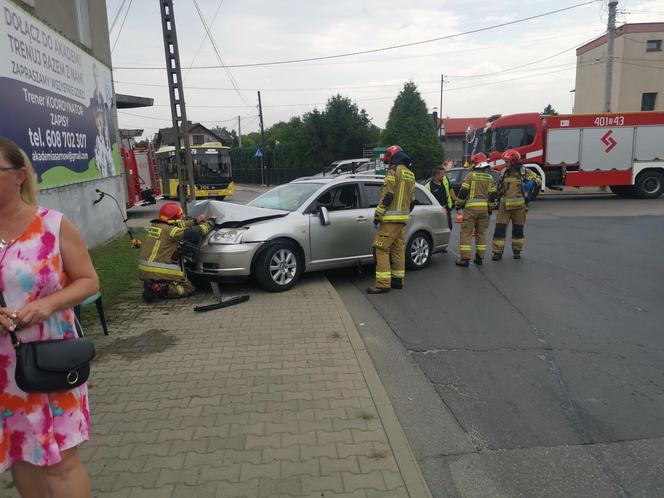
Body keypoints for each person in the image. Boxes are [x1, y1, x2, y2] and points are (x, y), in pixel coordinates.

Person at [0, 137, 98, 498]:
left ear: (19, 176)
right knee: (20, 455)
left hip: (51, 358)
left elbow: (89, 280)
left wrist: (48, 304)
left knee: (60, 461)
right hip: (4, 368)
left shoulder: (52, 225)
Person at [139, 202, 214, 301]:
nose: (181, 219)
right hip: (158, 271)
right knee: (187, 288)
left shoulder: (157, 226)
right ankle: (158, 289)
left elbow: (180, 224)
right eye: (179, 217)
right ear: (173, 218)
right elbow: (194, 233)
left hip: (145, 270)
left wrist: (195, 221)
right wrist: (210, 223)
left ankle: (154, 285)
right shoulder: (170, 231)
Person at [367, 145, 416, 294]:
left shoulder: (393, 171)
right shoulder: (410, 174)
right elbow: (412, 200)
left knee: (380, 248)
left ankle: (382, 283)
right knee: (397, 249)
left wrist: (378, 215)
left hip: (389, 219)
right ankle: (397, 280)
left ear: (393, 157)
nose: (387, 161)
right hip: (402, 219)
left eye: (388, 158)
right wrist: (403, 213)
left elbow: (388, 195)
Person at [491, 149, 542, 260]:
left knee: (518, 230)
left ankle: (517, 251)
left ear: (514, 161)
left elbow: (538, 179)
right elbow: (498, 186)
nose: (505, 163)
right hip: (504, 206)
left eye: (507, 161)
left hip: (519, 207)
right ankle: (497, 252)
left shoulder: (524, 172)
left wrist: (532, 182)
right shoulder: (504, 171)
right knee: (499, 230)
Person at [454, 153, 498, 267]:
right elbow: (493, 195)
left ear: (476, 164)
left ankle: (465, 259)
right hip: (484, 210)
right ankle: (480, 257)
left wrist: (458, 203)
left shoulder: (470, 176)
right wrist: (490, 207)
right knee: (481, 234)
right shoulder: (490, 177)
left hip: (471, 210)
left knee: (466, 233)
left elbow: (463, 192)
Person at [424, 163, 456, 229]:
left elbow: (450, 189)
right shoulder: (428, 186)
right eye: (442, 174)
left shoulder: (445, 179)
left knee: (448, 227)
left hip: (447, 209)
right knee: (437, 228)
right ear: (436, 175)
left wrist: (455, 200)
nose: (444, 176)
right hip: (436, 211)